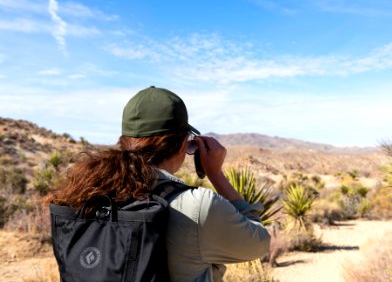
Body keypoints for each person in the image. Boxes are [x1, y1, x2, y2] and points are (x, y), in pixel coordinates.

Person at [49, 86, 270, 281]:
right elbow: (259, 243)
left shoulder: (88, 193)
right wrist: (216, 174)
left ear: (125, 140)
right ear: (182, 144)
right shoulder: (197, 206)